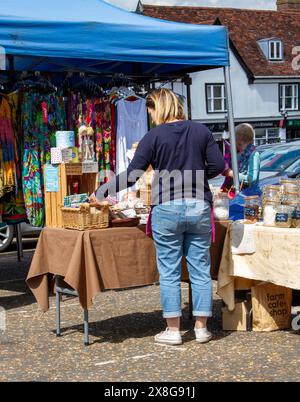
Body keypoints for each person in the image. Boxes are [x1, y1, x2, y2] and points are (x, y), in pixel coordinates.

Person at [91, 88, 224, 345]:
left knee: (170, 272)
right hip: (198, 205)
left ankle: (173, 332)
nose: (151, 117)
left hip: (167, 207)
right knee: (200, 269)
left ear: (157, 107)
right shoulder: (202, 131)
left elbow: (132, 175)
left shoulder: (153, 136)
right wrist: (195, 177)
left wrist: (101, 191)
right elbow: (218, 166)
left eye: (150, 111)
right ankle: (201, 329)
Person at [224, 123, 261, 220]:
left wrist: (231, 173)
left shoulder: (254, 154)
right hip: (238, 195)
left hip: (249, 197)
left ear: (239, 139)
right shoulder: (239, 153)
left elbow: (251, 179)